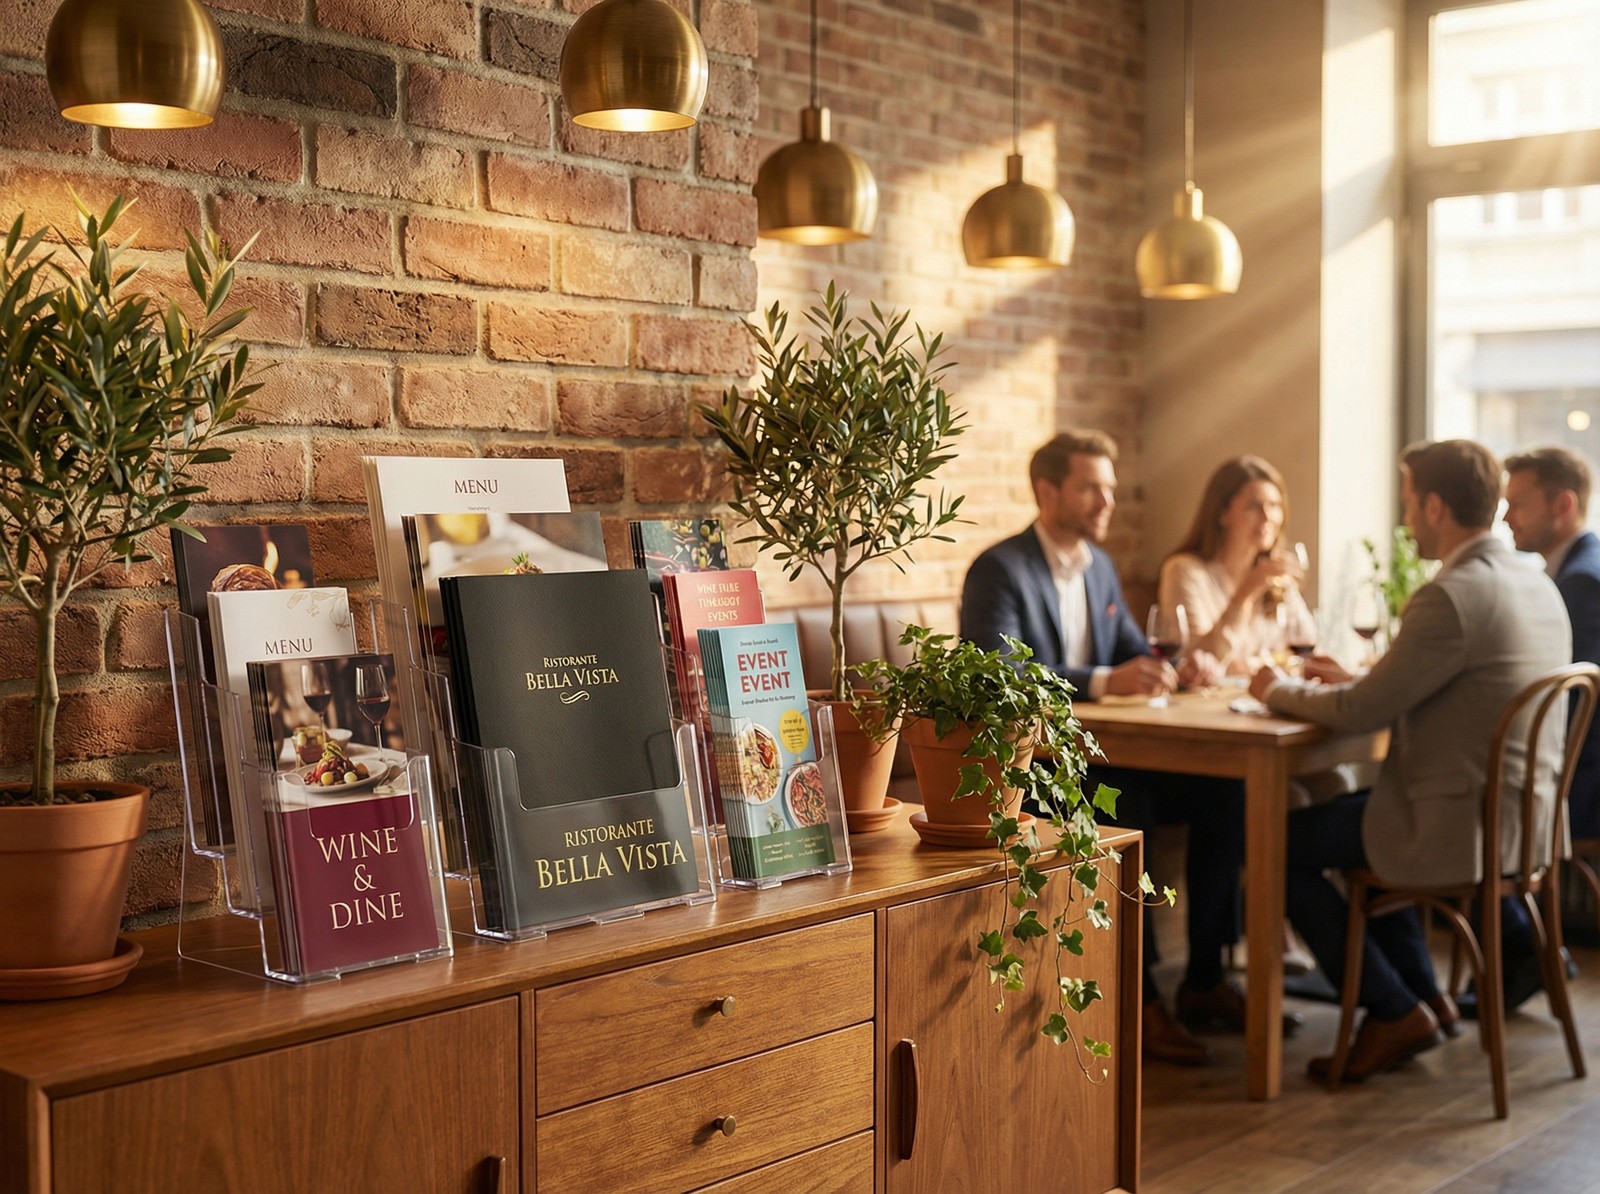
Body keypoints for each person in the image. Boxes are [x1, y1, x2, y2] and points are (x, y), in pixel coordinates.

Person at [1249, 439, 1571, 1082]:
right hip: (1522, 822)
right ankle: (1426, 1003)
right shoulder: (1532, 581)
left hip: (1455, 825)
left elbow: (1362, 714)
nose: (1403, 520)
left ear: (1432, 506)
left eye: (1406, 505)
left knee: (1275, 844)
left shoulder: (1450, 594)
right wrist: (1353, 683)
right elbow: (1413, 691)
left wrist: (1272, 688)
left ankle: (1395, 1009)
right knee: (1345, 823)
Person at [961, 430, 1264, 1067]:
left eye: (1111, 489)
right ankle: (1141, 1000)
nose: (1107, 501)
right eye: (1091, 487)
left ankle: (1205, 979)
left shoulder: (1097, 565)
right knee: (1129, 808)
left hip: (1102, 756)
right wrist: (1104, 681)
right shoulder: (1000, 567)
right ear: (1048, 491)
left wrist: (1173, 669)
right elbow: (1000, 671)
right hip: (1031, 768)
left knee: (1225, 794)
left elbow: (1134, 645)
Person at [1159, 455, 1312, 674]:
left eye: (1274, 505)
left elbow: (1308, 649)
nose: (1267, 516)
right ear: (1222, 513)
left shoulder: (1277, 575)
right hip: (1208, 704)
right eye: (1253, 506)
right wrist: (1246, 593)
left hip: (1267, 702)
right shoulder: (1185, 571)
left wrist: (1247, 666)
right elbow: (1196, 662)